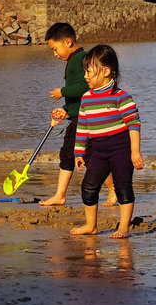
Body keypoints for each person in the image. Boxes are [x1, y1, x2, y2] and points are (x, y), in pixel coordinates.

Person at [39, 24, 117, 207]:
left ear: (68, 41)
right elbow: (79, 97)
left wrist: (63, 91)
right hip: (78, 116)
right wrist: (66, 109)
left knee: (89, 156)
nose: (55, 54)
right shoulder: (73, 60)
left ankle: (113, 190)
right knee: (68, 154)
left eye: (56, 49)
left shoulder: (82, 58)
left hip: (87, 119)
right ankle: (60, 195)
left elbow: (86, 86)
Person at [70, 45, 144, 239]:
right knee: (88, 187)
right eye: (85, 71)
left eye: (89, 71)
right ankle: (91, 225)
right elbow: (82, 128)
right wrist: (78, 153)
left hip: (121, 150)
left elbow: (134, 124)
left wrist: (135, 152)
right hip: (99, 153)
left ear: (106, 71)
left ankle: (123, 227)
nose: (85, 76)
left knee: (123, 187)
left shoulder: (121, 97)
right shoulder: (86, 98)